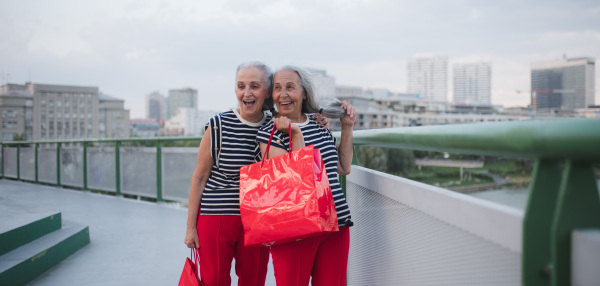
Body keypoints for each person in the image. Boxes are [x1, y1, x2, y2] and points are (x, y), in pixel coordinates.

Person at [184, 62, 330, 286]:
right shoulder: (217, 125)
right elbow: (200, 177)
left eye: (255, 86)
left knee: (254, 281)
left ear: (267, 92)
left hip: (259, 218)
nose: (247, 92)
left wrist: (320, 118)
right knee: (214, 280)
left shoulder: (276, 125)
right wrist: (190, 228)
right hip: (216, 216)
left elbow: (301, 127)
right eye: (241, 86)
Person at [256, 66, 357, 286]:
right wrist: (295, 133)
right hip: (295, 226)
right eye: (277, 88)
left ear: (304, 93)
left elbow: (343, 166)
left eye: (290, 87)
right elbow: (299, 179)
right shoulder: (268, 132)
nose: (283, 94)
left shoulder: (319, 123)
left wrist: (347, 127)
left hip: (335, 220)